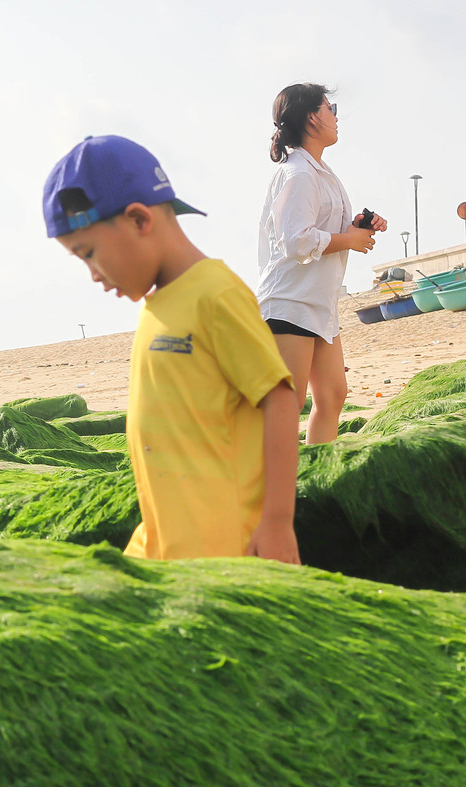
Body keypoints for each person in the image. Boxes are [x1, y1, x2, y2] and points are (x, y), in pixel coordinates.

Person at [42, 135, 300, 565]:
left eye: (88, 253)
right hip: (166, 543)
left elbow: (279, 399)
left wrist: (276, 523)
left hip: (223, 549)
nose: (91, 275)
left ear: (140, 220)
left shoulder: (216, 294)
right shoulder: (157, 305)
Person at [256, 83, 387, 444]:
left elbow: (317, 230)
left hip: (319, 303)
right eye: (331, 109)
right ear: (312, 118)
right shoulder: (298, 174)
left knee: (332, 396)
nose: (336, 117)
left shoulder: (319, 172)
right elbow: (295, 241)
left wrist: (359, 227)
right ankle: (273, 491)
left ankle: (315, 478)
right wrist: (349, 240)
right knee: (288, 404)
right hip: (290, 302)